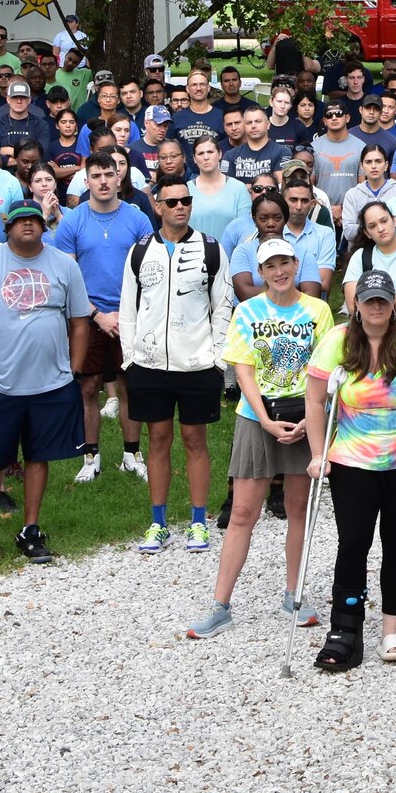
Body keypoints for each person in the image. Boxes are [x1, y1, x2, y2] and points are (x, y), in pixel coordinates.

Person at [186, 238, 329, 638]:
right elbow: (244, 370)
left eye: (285, 263)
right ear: (261, 272)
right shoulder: (247, 311)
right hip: (256, 416)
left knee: (298, 509)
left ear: (296, 264)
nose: (279, 271)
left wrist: (310, 421)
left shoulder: (317, 311)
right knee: (244, 512)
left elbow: (324, 368)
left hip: (305, 414)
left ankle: (294, 594)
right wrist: (264, 419)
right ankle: (220, 604)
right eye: (271, 266)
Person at [304, 271, 396, 668]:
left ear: (392, 303)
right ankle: (345, 631)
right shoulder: (336, 341)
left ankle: (390, 630)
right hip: (352, 460)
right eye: (370, 301)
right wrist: (319, 453)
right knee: (353, 543)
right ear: (357, 304)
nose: (377, 307)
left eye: (384, 299)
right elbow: (315, 401)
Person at [0, 200, 94, 571]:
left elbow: (80, 322)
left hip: (52, 384)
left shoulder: (64, 265)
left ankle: (30, 529)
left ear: (44, 225)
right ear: (7, 227)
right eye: (20, 221)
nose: (28, 226)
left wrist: (74, 371)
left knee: (38, 457)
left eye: (35, 220)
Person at [119, 172, 232, 552]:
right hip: (148, 365)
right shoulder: (139, 250)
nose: (180, 207)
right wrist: (130, 359)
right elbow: (128, 309)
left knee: (195, 439)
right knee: (158, 440)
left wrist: (217, 359)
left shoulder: (211, 249)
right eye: (172, 202)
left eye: (186, 201)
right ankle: (158, 521)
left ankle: (199, 521)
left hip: (198, 365)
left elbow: (223, 308)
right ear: (157, 205)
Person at [51, 153, 154, 485]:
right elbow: (68, 278)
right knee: (89, 387)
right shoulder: (72, 221)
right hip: (87, 316)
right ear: (87, 180)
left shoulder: (138, 219)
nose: (104, 181)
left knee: (130, 387)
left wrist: (125, 316)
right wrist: (97, 315)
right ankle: (90, 456)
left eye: (110, 173)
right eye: (97, 176)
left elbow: (149, 272)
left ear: (120, 176)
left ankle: (131, 455)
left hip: (131, 316)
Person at [186, 135, 249, 240]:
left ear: (220, 154)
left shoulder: (238, 188)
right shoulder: (185, 190)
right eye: (201, 153)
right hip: (192, 254)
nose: (206, 157)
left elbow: (245, 231)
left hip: (229, 254)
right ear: (194, 159)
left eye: (210, 152)